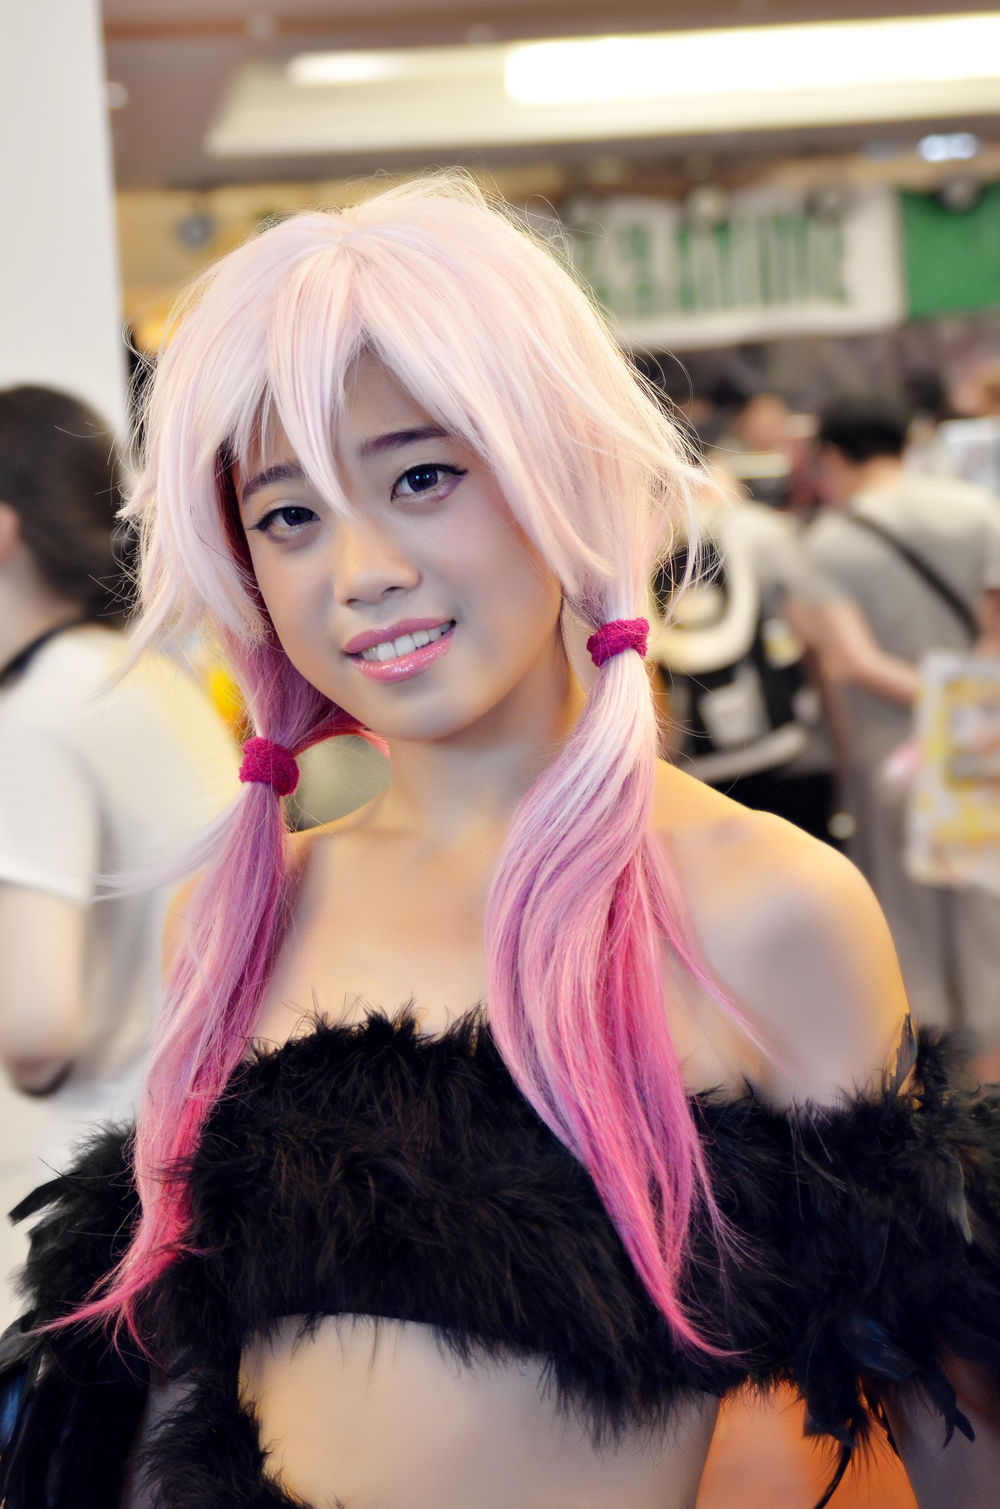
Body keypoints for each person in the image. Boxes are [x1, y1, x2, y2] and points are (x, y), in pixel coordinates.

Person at [2, 181, 1000, 1509]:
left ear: (555, 472)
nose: (360, 570)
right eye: (288, 515)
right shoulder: (247, 909)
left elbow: (948, 1418)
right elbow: (177, 1394)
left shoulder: (764, 907)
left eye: (422, 477)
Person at [0, 385, 239, 1323]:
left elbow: (36, 1031)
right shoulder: (142, 676)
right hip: (190, 1169)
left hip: (87, 1206)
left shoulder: (37, 714)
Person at [804, 394, 1000, 1044]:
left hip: (890, 749)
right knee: (985, 897)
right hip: (982, 737)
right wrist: (963, 701)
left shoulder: (829, 542)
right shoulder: (976, 510)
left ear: (834, 456)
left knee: (904, 910)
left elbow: (853, 661)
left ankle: (935, 1064)